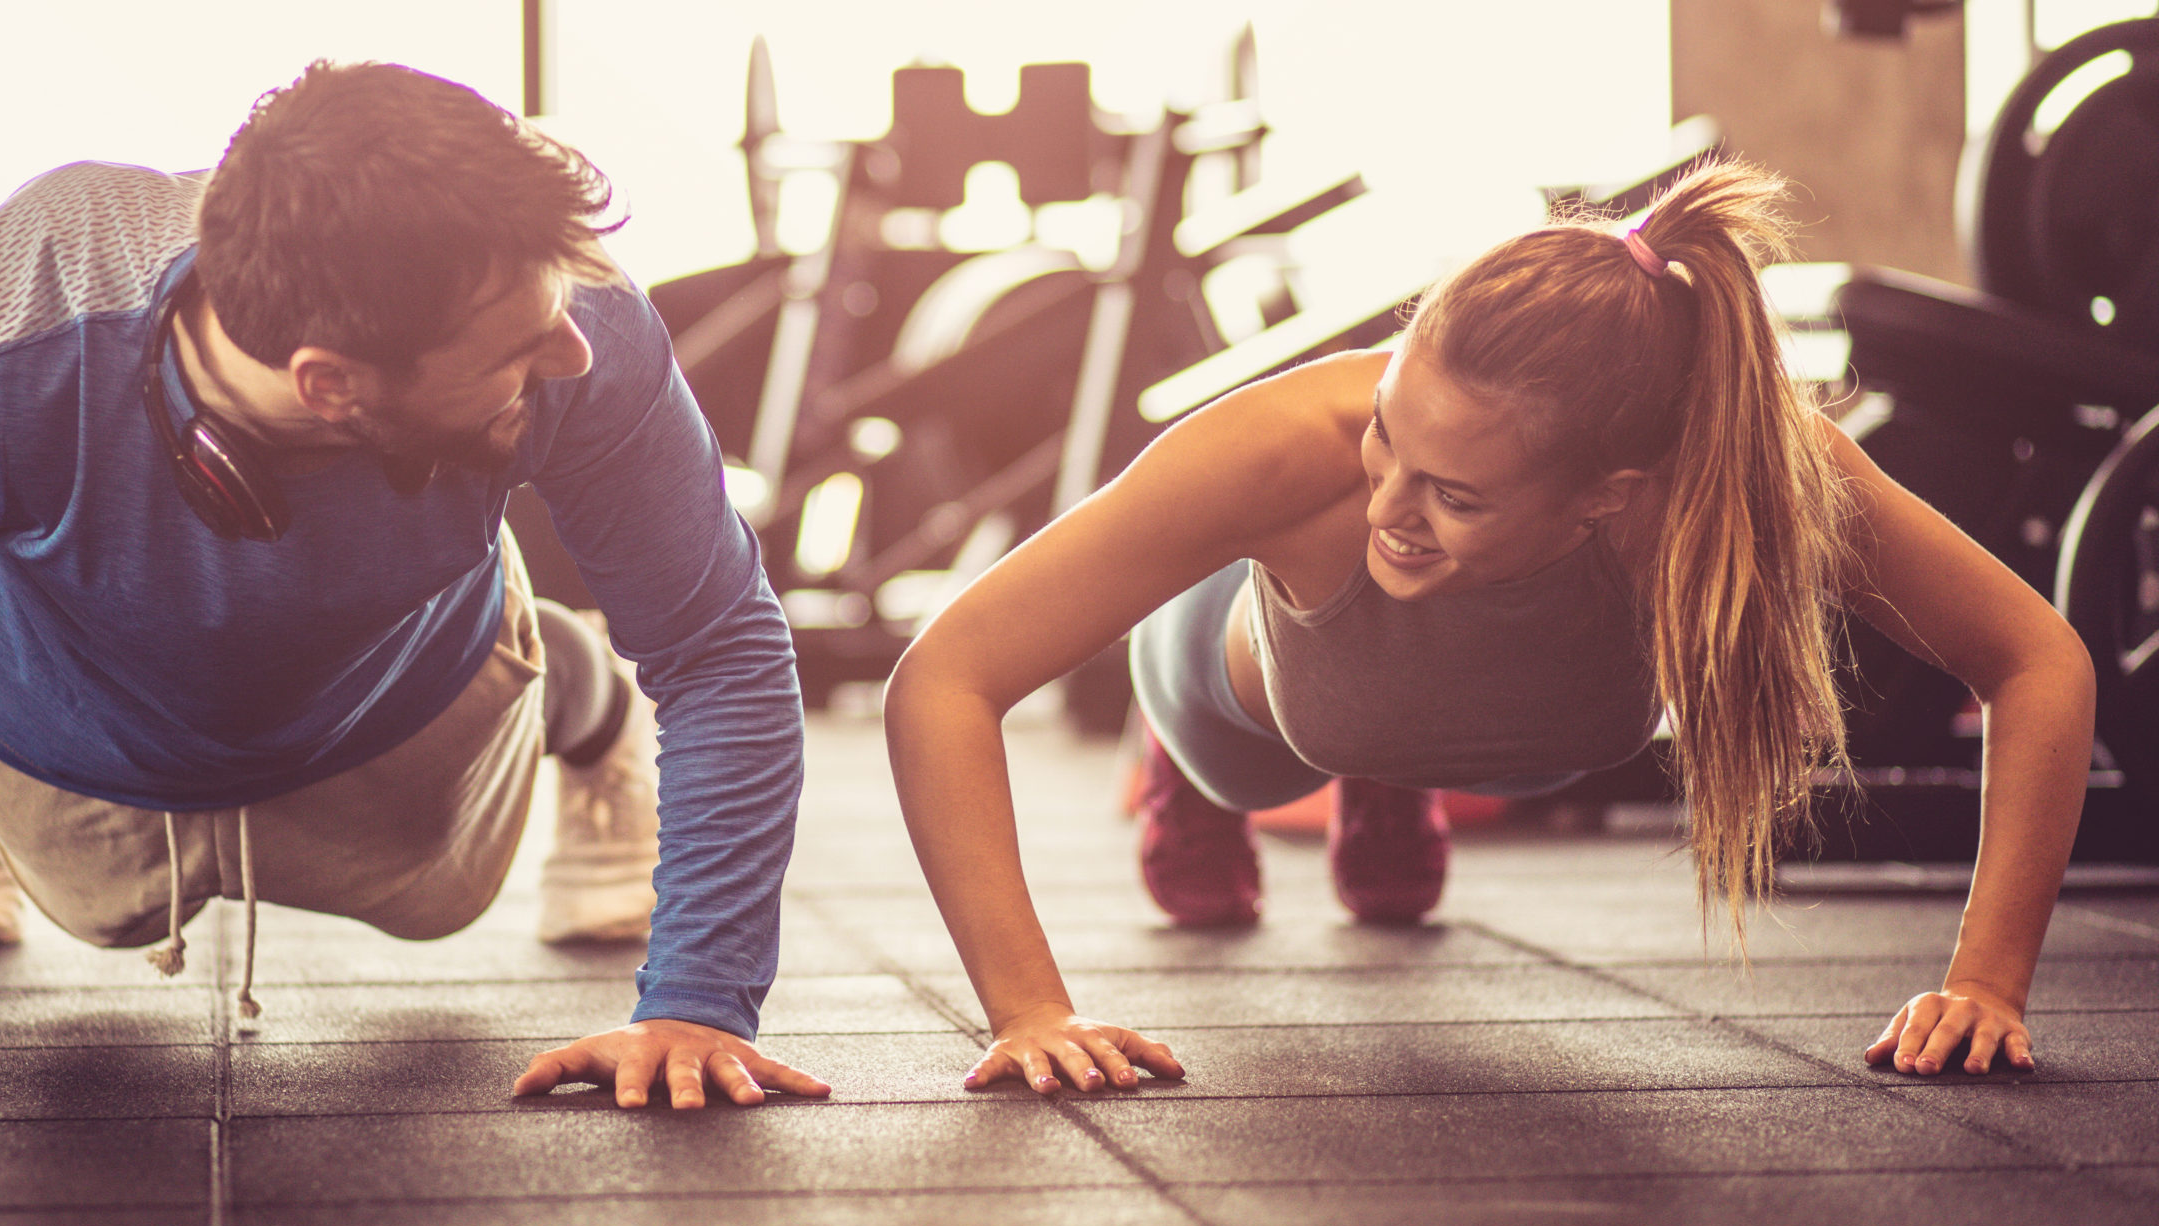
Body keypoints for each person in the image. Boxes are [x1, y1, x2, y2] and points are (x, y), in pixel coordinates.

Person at [0, 62, 829, 1124]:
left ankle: (586, 703)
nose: (566, 356)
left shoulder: (573, 318)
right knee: (99, 907)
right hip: (50, 714)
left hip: (404, 696)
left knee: (442, 893)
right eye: (519, 356)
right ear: (329, 383)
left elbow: (719, 642)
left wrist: (700, 1000)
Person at [883, 162, 2094, 1096]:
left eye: (1451, 490)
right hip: (1252, 692)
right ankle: (1199, 772)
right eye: (1386, 436)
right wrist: (1028, 1008)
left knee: (1483, 727)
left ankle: (1388, 776)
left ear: (1609, 492)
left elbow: (2036, 658)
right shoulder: (1288, 447)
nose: (1386, 504)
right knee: (1242, 757)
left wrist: (1986, 980)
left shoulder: (1748, 477)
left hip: (1530, 728)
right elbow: (945, 678)